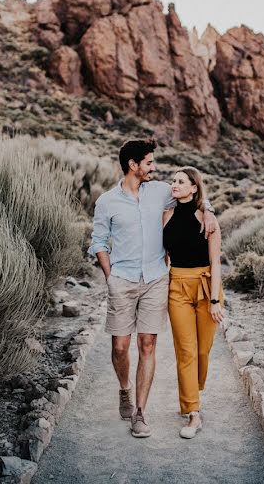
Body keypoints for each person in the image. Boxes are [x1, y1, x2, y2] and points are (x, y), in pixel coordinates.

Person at [88, 140, 218, 438]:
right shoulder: (107, 201)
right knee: (120, 347)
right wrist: (110, 276)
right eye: (148, 163)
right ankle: (125, 389)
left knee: (147, 345)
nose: (154, 168)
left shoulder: (160, 191)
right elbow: (98, 242)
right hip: (122, 279)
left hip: (157, 280)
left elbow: (193, 195)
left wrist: (208, 209)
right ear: (133, 165)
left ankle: (140, 413)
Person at [162, 167, 224, 439]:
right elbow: (160, 256)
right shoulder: (165, 216)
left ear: (194, 187)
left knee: (203, 351)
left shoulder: (208, 219)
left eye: (180, 181)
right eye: (172, 181)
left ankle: (192, 392)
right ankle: (192, 412)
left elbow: (216, 262)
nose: (174, 185)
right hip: (177, 287)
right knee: (186, 351)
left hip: (206, 286)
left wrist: (214, 300)